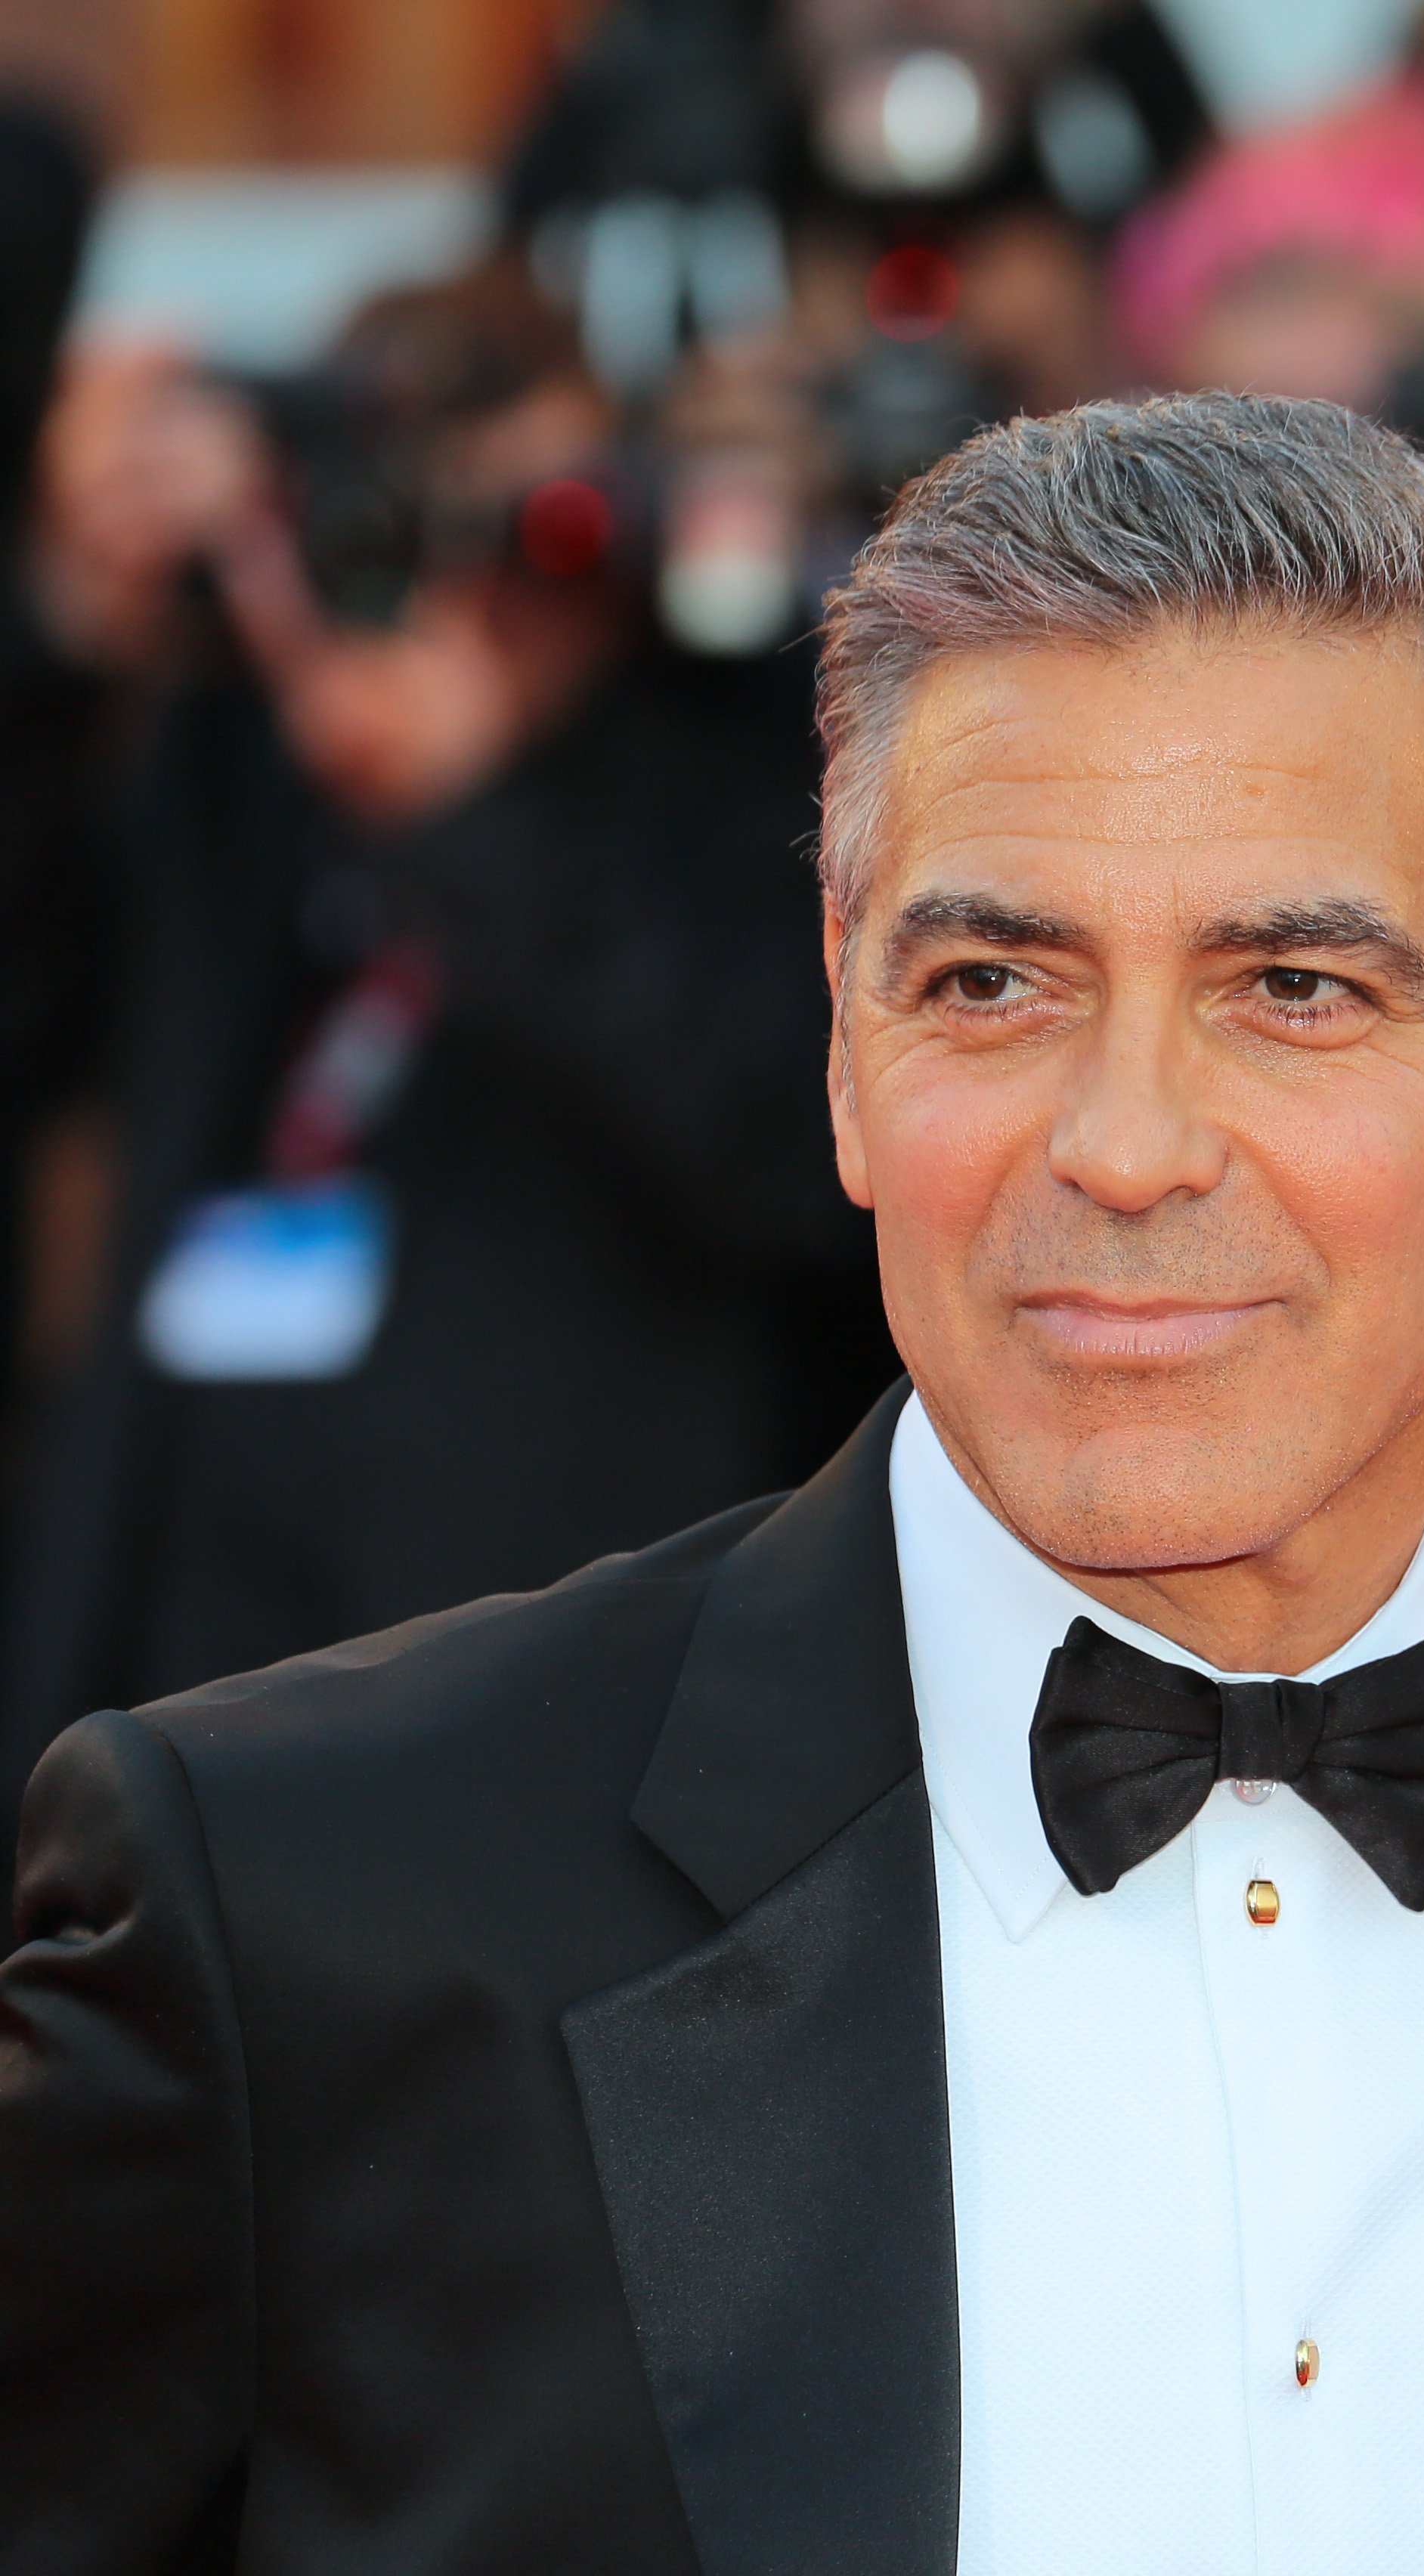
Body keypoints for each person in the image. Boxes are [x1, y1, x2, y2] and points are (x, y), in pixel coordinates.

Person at [0, 393, 1424, 2571]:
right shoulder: (303, 1917)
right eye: (995, 982)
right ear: (847, 1052)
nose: (1123, 1144)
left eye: (1291, 987)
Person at [0, 262, 884, 1787]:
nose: (483, 590)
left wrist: (470, 815)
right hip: (179, 1663)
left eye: (547, 530)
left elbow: (785, 1150)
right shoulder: (239, 745)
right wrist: (71, 633)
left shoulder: (757, 761)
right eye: (417, 524)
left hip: (566, 1692)